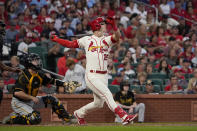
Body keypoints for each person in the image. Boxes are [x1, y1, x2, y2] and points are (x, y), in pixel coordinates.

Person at [51, 16, 137, 125]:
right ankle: (123, 116)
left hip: (104, 76)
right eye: (103, 23)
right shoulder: (86, 40)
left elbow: (117, 36)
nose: (105, 25)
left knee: (99, 103)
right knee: (107, 94)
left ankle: (78, 114)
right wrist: (57, 39)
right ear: (97, 26)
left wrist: (114, 25)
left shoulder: (106, 39)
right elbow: (70, 44)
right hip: (92, 75)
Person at [2, 53, 79, 125]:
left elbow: (53, 81)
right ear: (29, 63)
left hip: (31, 100)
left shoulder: (39, 74)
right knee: (36, 118)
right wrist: (32, 97)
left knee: (52, 99)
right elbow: (17, 93)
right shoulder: (24, 76)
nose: (38, 62)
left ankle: (67, 119)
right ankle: (13, 118)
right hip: (19, 102)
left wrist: (65, 84)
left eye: (38, 60)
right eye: (35, 61)